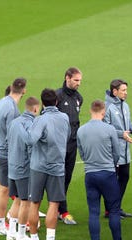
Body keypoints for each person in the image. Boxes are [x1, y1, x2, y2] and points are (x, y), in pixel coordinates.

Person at [77, 100, 132, 240]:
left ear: (90, 111)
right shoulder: (109, 129)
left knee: (93, 212)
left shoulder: (81, 130)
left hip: (90, 174)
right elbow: (117, 153)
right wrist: (112, 164)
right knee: (114, 210)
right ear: (103, 112)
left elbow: (81, 152)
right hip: (108, 174)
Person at [25, 88, 70, 240]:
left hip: (38, 166)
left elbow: (31, 140)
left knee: (35, 203)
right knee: (54, 203)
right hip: (57, 165)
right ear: (56, 101)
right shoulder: (64, 118)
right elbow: (68, 135)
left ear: (42, 103)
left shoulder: (40, 119)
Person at [0, 78, 26, 235]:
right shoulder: (12, 109)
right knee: (5, 189)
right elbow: (13, 134)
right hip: (7, 153)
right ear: (24, 90)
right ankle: (2, 225)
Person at [103, 79, 132, 218]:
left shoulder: (125, 106)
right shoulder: (107, 107)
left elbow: (128, 123)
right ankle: (110, 210)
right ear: (115, 91)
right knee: (113, 181)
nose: (126, 93)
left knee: (124, 178)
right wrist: (120, 134)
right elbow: (105, 128)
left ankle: (116, 207)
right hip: (113, 152)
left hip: (125, 151)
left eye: (126, 90)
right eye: (123, 90)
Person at [5, 96, 39, 240]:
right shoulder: (31, 124)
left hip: (12, 166)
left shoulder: (14, 122)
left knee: (17, 199)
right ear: (36, 109)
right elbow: (31, 146)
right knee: (25, 201)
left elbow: (8, 141)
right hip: (24, 167)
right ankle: (21, 234)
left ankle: (11, 232)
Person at [55, 67, 83, 225]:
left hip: (72, 145)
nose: (78, 83)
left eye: (80, 80)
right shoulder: (57, 96)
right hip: (58, 145)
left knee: (67, 177)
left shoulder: (79, 98)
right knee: (57, 176)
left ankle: (60, 209)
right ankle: (62, 210)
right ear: (67, 78)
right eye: (76, 80)